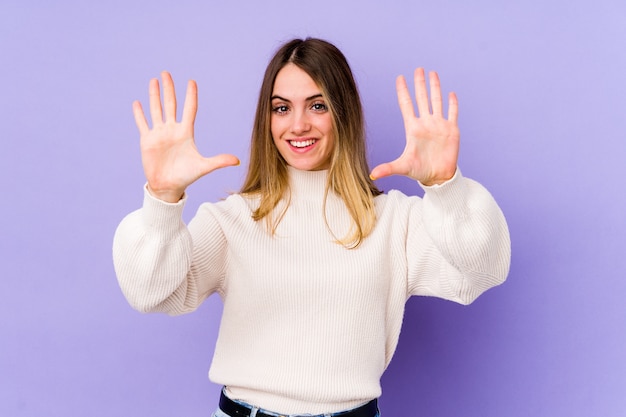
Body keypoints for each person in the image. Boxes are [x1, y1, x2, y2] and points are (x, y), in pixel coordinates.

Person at [113, 38, 510, 417]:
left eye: (317, 105)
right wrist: (163, 201)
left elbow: (482, 272)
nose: (298, 125)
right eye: (282, 108)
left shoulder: (395, 221)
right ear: (266, 120)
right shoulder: (232, 221)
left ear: (343, 113)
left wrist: (445, 187)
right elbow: (149, 293)